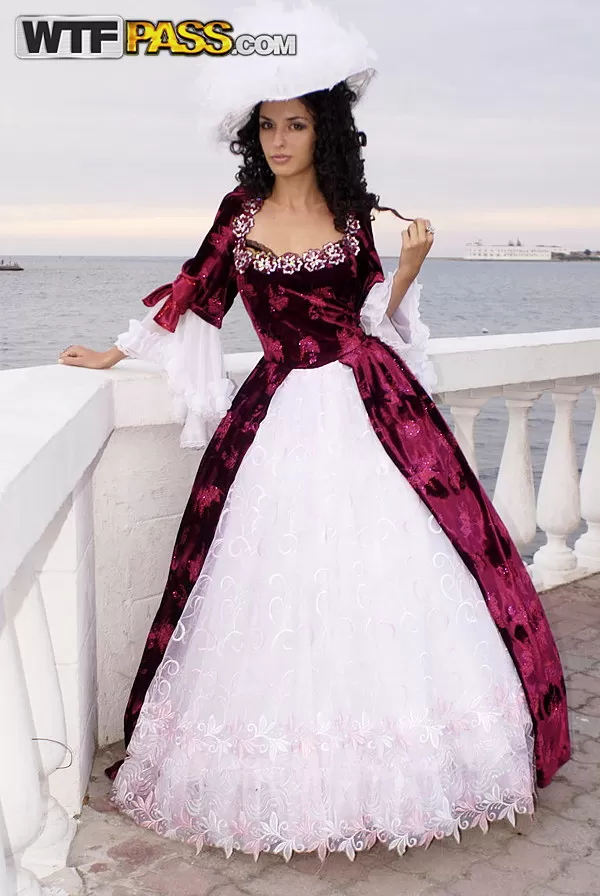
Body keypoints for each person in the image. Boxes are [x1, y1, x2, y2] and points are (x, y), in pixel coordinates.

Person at [58, 0, 570, 864]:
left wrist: (406, 271)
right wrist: (114, 352)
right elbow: (195, 294)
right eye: (267, 125)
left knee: (399, 572)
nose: (279, 140)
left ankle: (414, 769)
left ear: (322, 129)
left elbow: (375, 321)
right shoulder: (239, 212)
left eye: (295, 124)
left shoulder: (354, 211)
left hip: (371, 405)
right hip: (279, 415)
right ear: (251, 134)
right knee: (271, 582)